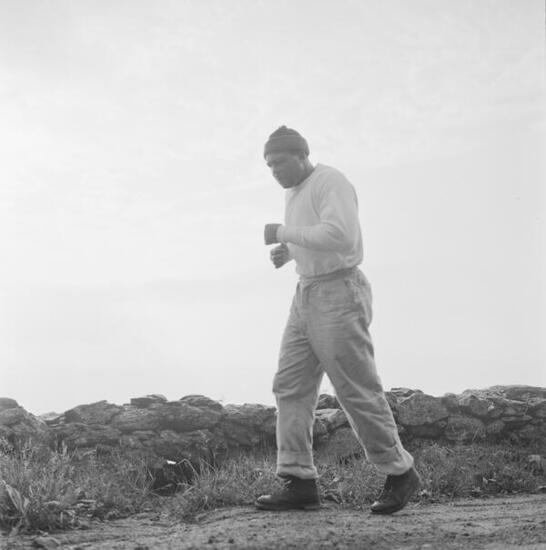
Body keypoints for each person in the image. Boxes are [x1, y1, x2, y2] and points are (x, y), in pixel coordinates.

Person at [255, 126, 421, 514]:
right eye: (269, 165)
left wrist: (281, 232)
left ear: (302, 155)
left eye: (279, 162)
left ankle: (400, 472)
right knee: (290, 385)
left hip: (339, 291)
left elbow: (341, 235)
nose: (274, 171)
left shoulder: (330, 181)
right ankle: (298, 482)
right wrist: (289, 250)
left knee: (354, 387)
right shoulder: (293, 191)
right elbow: (314, 237)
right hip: (306, 291)